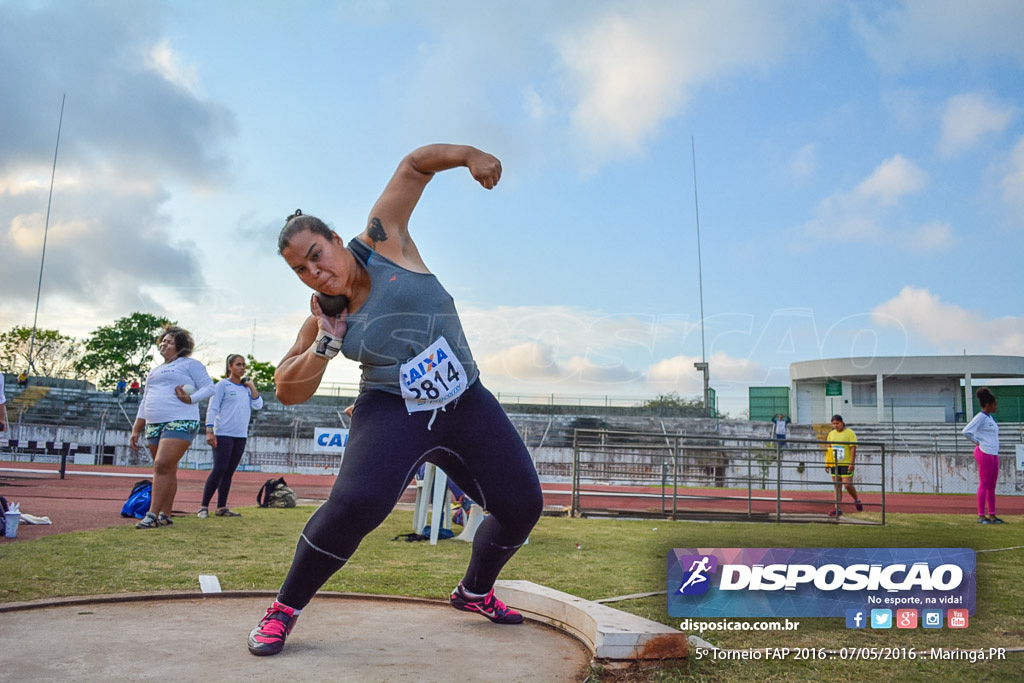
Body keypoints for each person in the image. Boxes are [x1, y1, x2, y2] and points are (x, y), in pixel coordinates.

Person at [247, 144, 543, 657]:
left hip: (465, 399)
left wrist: (471, 155)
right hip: (392, 408)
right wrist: (328, 341)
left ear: (337, 240)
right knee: (357, 503)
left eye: (316, 254)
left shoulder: (383, 241)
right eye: (300, 270)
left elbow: (414, 166)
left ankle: (474, 591)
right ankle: (284, 609)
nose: (314, 272)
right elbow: (287, 391)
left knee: (522, 508)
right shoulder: (322, 317)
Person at [129, 325, 214, 529]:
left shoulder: (190, 364)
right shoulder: (154, 371)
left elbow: (209, 387)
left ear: (180, 345)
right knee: (167, 469)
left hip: (181, 420)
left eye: (169, 341)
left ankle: (151, 514)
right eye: (163, 340)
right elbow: (145, 400)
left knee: (161, 465)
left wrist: (191, 398)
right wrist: (136, 428)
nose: (164, 343)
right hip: (154, 422)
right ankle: (165, 514)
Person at [198, 354, 263, 519]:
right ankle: (203, 507)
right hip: (223, 433)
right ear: (230, 367)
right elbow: (212, 408)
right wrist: (209, 430)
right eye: (238, 365)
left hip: (240, 435)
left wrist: (252, 386)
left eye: (243, 365)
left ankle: (221, 507)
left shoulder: (246, 388)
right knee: (219, 469)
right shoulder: (222, 386)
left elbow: (258, 405)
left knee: (229, 472)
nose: (242, 368)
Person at [962, 387, 1004, 524]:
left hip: (993, 453)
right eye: (994, 404)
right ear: (988, 405)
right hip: (985, 452)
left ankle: (992, 515)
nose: (996, 407)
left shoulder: (990, 418)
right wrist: (977, 442)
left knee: (992, 486)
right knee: (984, 484)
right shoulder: (980, 417)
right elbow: (966, 431)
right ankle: (981, 516)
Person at [824, 414, 862, 517]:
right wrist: (827, 463)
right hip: (834, 464)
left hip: (846, 463)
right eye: (833, 424)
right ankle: (837, 508)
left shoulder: (849, 433)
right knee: (837, 486)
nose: (835, 426)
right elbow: (829, 449)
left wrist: (852, 462)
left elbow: (853, 448)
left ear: (842, 422)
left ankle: (856, 500)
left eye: (837, 423)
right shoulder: (831, 434)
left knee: (847, 485)